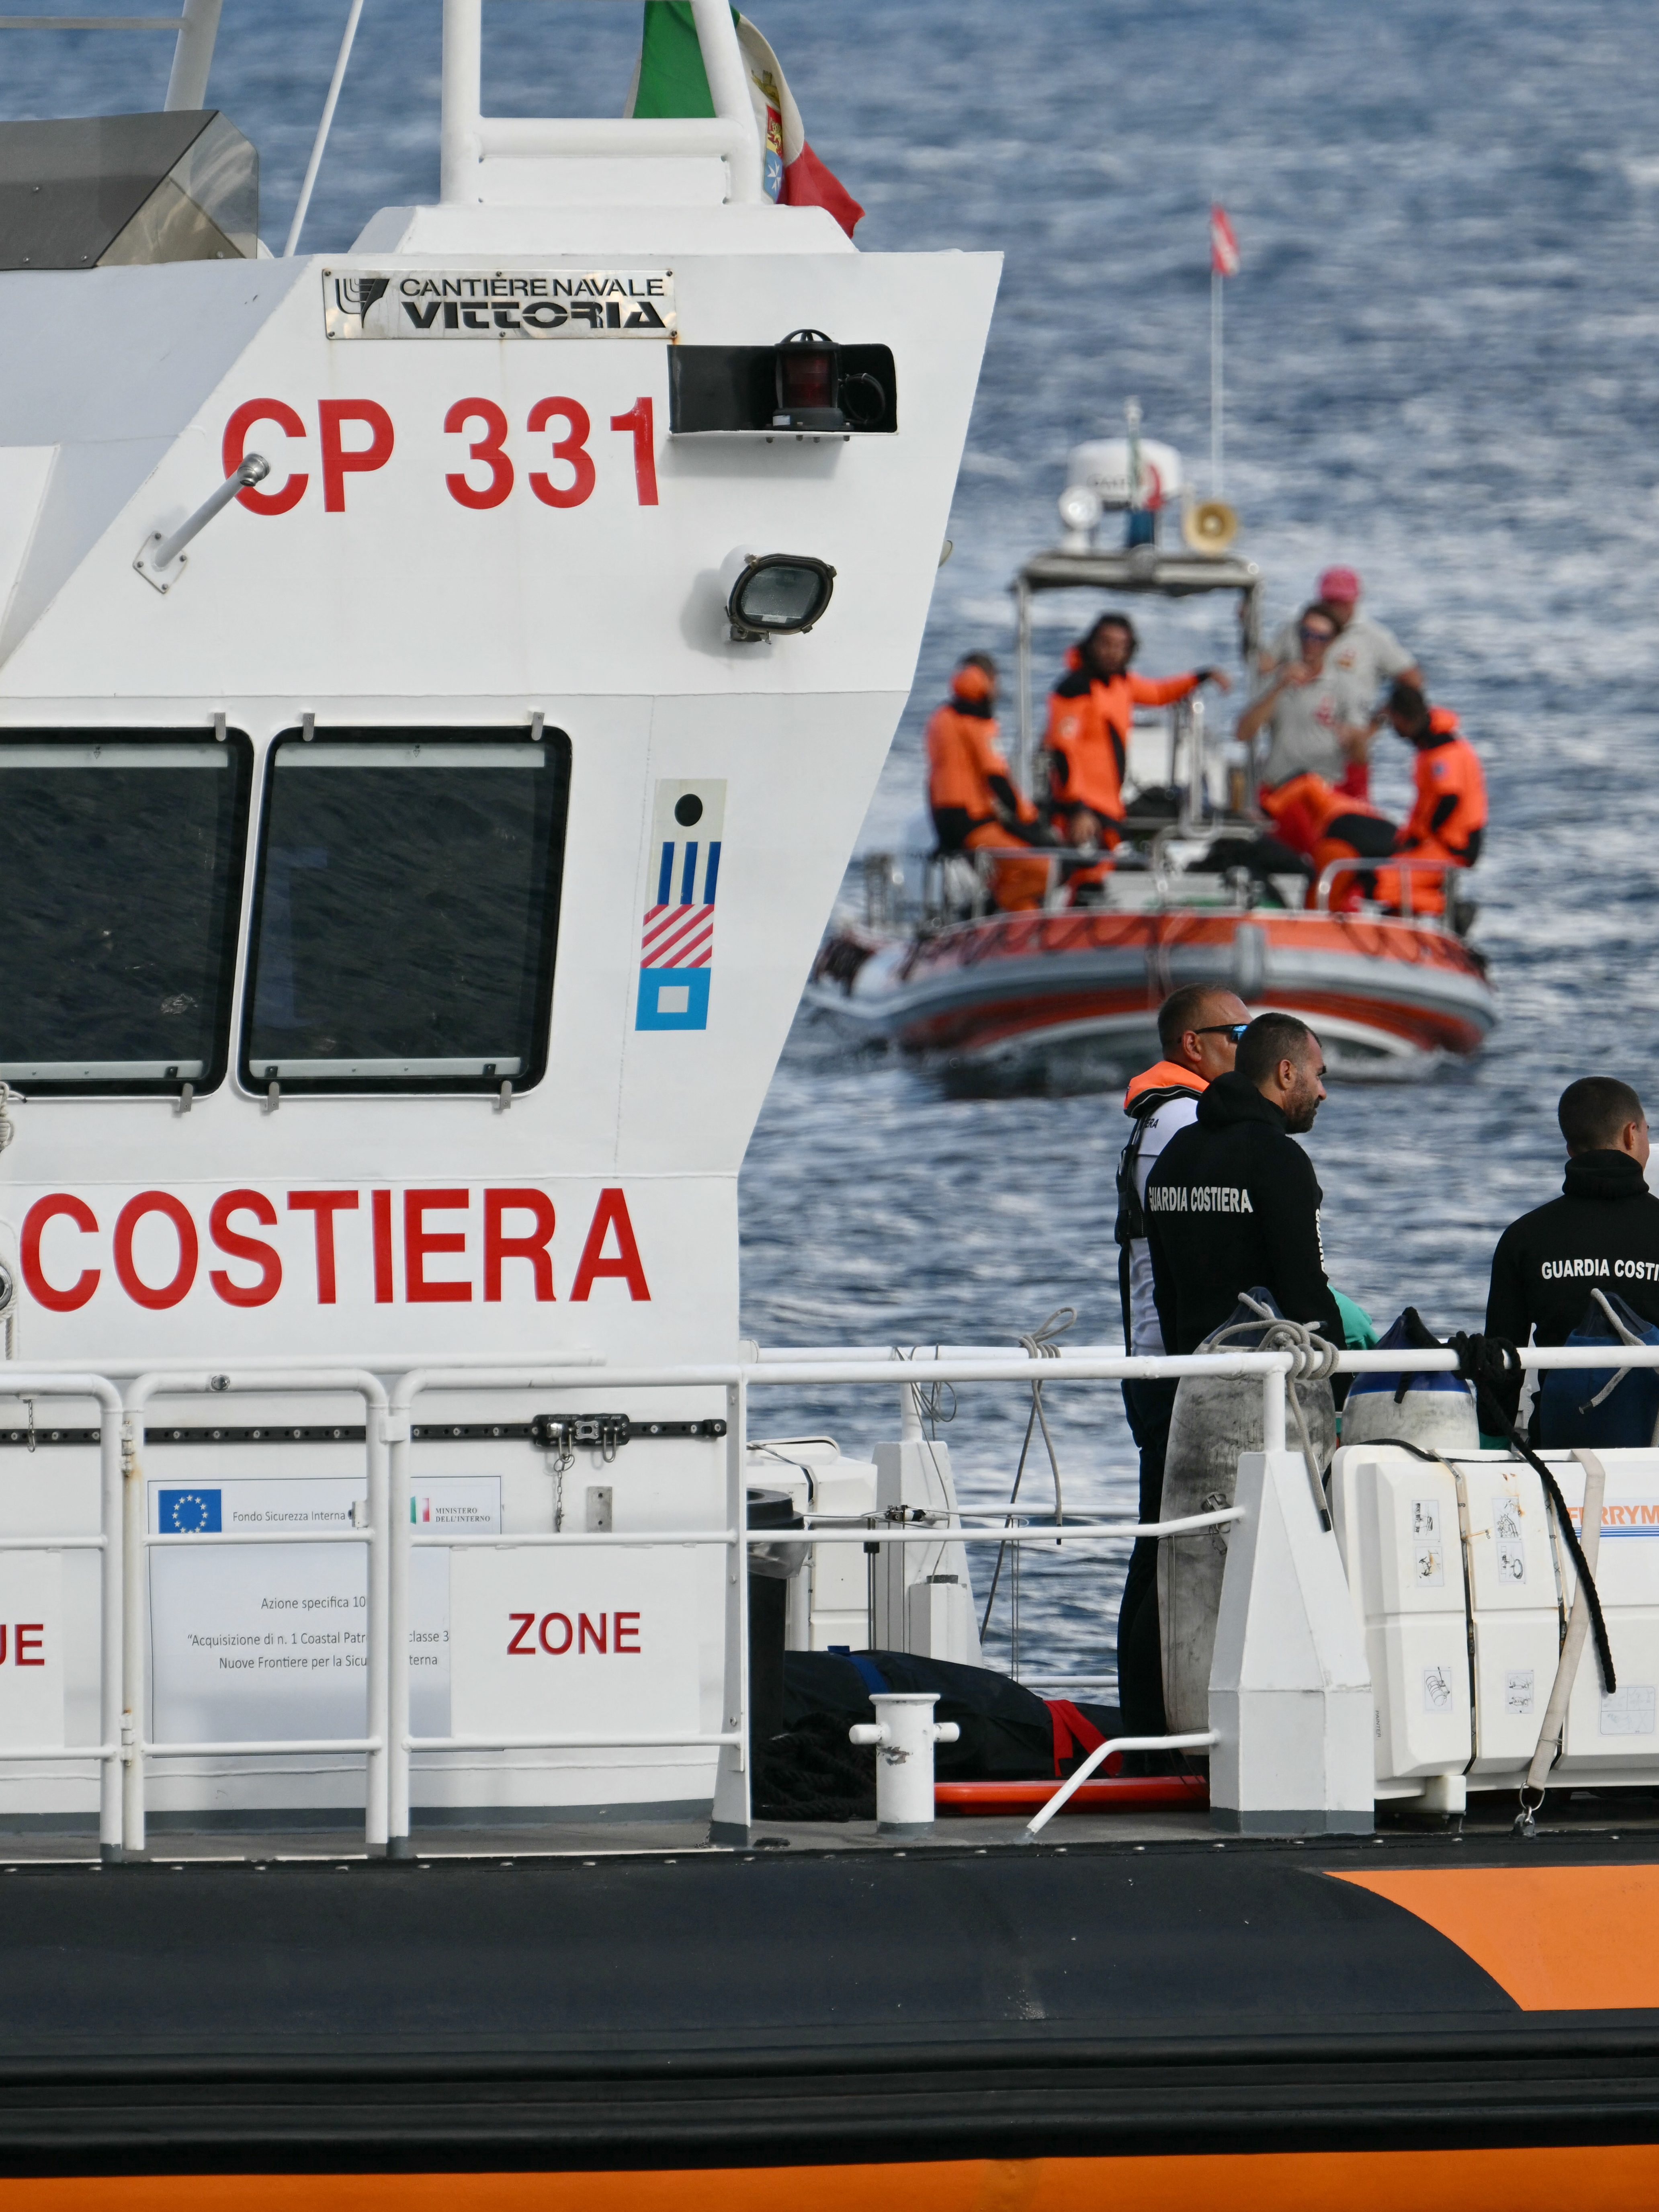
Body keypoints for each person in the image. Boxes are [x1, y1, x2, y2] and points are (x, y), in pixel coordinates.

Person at [1114, 985, 1251, 1738]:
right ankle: (1151, 1725)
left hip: (1172, 1356)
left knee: (1164, 1546)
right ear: (1193, 1044)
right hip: (1172, 1363)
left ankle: (1156, 1721)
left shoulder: (1172, 1116)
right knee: (1164, 1553)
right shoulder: (1178, 1120)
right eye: (1236, 1032)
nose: (1248, 1045)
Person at [1145, 1010, 1346, 1359]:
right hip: (1266, 1385)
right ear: (1286, 1073)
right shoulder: (1280, 1158)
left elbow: (1166, 1292)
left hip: (1190, 1382)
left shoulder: (1173, 1155)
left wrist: (1182, 1376)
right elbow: (1306, 1288)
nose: (1322, 1092)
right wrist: (1343, 1385)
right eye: (1318, 1076)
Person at [1485, 1079, 1659, 1433]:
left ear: (1570, 1148)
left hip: (1558, 1448)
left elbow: (1500, 1364)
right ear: (1631, 1134)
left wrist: (1494, 1448)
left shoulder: (1525, 1237)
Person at [1045, 614, 1232, 866]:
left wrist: (1202, 677)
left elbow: (1159, 693)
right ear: (1092, 644)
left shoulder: (1122, 683)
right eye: (1106, 644)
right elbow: (1061, 750)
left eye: (1120, 646)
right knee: (1082, 874)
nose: (1112, 652)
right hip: (1080, 807)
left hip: (1108, 805)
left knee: (1105, 870)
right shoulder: (1075, 688)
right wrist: (1077, 808)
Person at [1260, 566, 1420, 799]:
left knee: (1349, 824)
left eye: (1342, 602)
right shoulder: (1298, 630)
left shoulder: (1371, 637)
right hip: (1299, 748)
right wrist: (1283, 674)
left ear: (1355, 601)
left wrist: (1378, 721)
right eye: (1330, 601)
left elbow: (1412, 679)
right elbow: (1263, 665)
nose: (1335, 608)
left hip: (1348, 752)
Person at [926, 653, 1053, 913]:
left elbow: (935, 781)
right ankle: (990, 907)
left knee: (1012, 884)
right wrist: (1029, 819)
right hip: (974, 822)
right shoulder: (978, 721)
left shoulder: (940, 720)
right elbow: (996, 776)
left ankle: (1021, 931)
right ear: (988, 681)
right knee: (1048, 870)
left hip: (949, 826)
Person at [1237, 604, 1372, 802]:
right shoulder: (1277, 680)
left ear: (1332, 642)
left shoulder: (1345, 687)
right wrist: (1279, 687)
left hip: (1325, 791)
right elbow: (1243, 733)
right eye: (1306, 634)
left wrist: (1355, 739)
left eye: (1320, 638)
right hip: (1280, 789)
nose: (1311, 643)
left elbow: (1361, 755)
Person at [1379, 680, 1487, 918]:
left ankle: (1451, 911)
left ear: (1402, 719)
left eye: (1392, 722)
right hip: (1441, 841)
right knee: (1391, 872)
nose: (1392, 728)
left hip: (1453, 844)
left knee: (1383, 882)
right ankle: (1412, 916)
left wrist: (1423, 837)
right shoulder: (1430, 747)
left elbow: (1449, 799)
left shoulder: (1442, 752)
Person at [1258, 769, 1399, 911]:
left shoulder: (1320, 792)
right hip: (1391, 838)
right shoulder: (1348, 801)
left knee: (1318, 904)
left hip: (1345, 831)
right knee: (1390, 892)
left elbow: (1306, 782)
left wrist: (1269, 808)